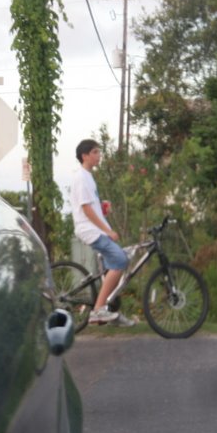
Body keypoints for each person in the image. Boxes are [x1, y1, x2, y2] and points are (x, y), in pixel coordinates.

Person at [70, 139, 136, 326]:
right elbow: (87, 210)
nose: (99, 156)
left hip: (95, 229)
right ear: (85, 156)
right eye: (95, 152)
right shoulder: (81, 177)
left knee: (116, 262)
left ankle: (109, 309)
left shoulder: (88, 177)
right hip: (90, 230)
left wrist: (103, 208)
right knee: (120, 259)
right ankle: (98, 310)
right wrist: (108, 230)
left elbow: (92, 207)